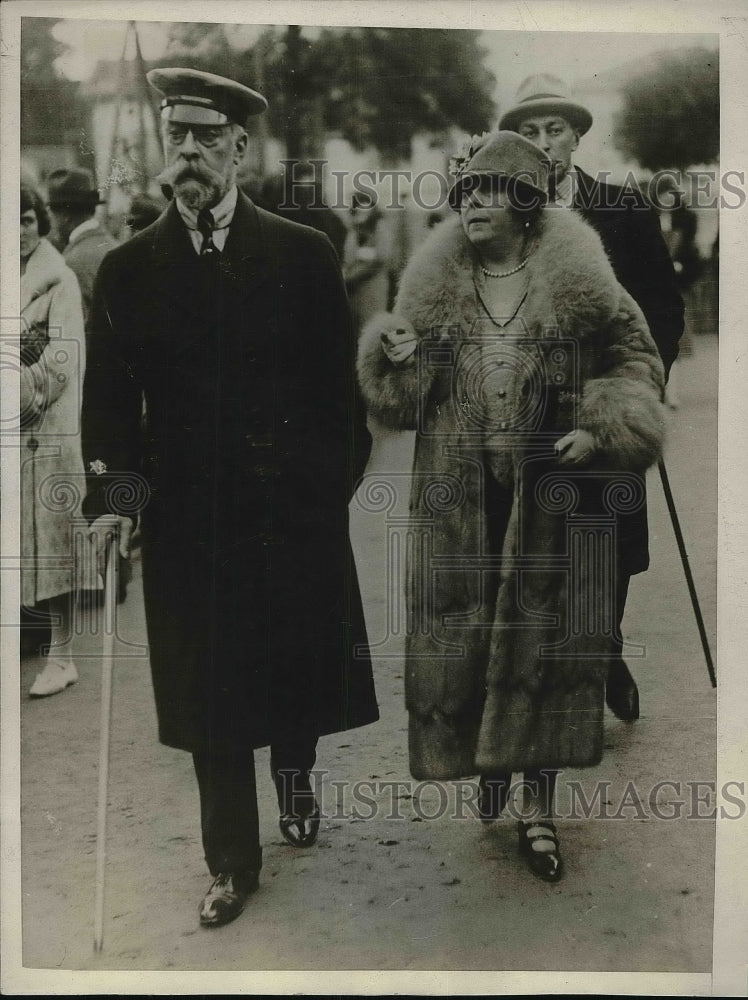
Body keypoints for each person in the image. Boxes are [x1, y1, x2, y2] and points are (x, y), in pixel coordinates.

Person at [81, 68, 377, 928]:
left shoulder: (301, 250)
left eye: (209, 139)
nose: (191, 154)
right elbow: (110, 404)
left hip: (291, 511)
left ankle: (295, 775)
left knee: (292, 667)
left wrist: (328, 485)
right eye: (178, 137)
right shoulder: (131, 270)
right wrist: (117, 497)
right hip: (190, 520)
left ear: (241, 148)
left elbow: (338, 394)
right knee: (209, 685)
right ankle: (229, 862)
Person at [357, 132, 666, 880]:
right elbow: (403, 398)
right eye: (467, 195)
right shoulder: (434, 284)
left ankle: (538, 804)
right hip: (460, 494)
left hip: (552, 499)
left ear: (527, 206)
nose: (475, 209)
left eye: (492, 194)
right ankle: (489, 761)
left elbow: (639, 362)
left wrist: (600, 428)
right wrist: (395, 356)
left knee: (546, 642)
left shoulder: (584, 282)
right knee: (467, 638)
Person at [499, 74, 685, 722]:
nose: (544, 143)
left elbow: (662, 304)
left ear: (577, 137)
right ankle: (572, 678)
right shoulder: (508, 213)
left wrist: (640, 387)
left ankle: (604, 645)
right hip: (536, 411)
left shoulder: (622, 207)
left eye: (555, 130)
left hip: (611, 399)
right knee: (547, 543)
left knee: (614, 544)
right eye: (529, 131)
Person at [20, 183, 92, 697]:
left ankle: (62, 656)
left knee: (54, 545)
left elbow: (64, 359)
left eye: (26, 219)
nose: (19, 231)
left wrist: (16, 389)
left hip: (46, 425)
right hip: (14, 429)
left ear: (40, 221)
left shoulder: (58, 279)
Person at [46, 168, 118, 333]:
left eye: (51, 212)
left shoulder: (72, 262)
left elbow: (77, 332)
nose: (50, 219)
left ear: (65, 215)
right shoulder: (115, 245)